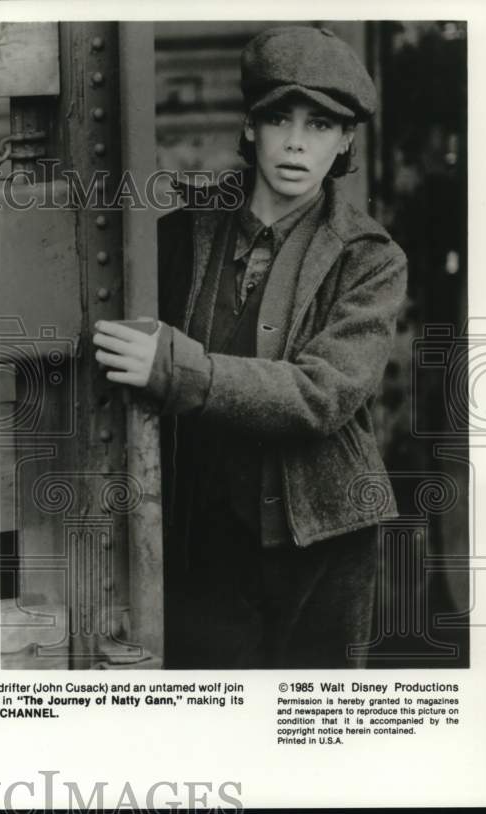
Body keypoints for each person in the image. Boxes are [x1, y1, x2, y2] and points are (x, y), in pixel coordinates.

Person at [93, 26, 408, 668]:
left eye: (320, 125)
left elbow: (323, 395)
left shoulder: (369, 259)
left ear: (345, 140)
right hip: (201, 540)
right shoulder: (177, 236)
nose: (296, 141)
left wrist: (184, 372)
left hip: (322, 539)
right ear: (250, 126)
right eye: (278, 118)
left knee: (308, 736)